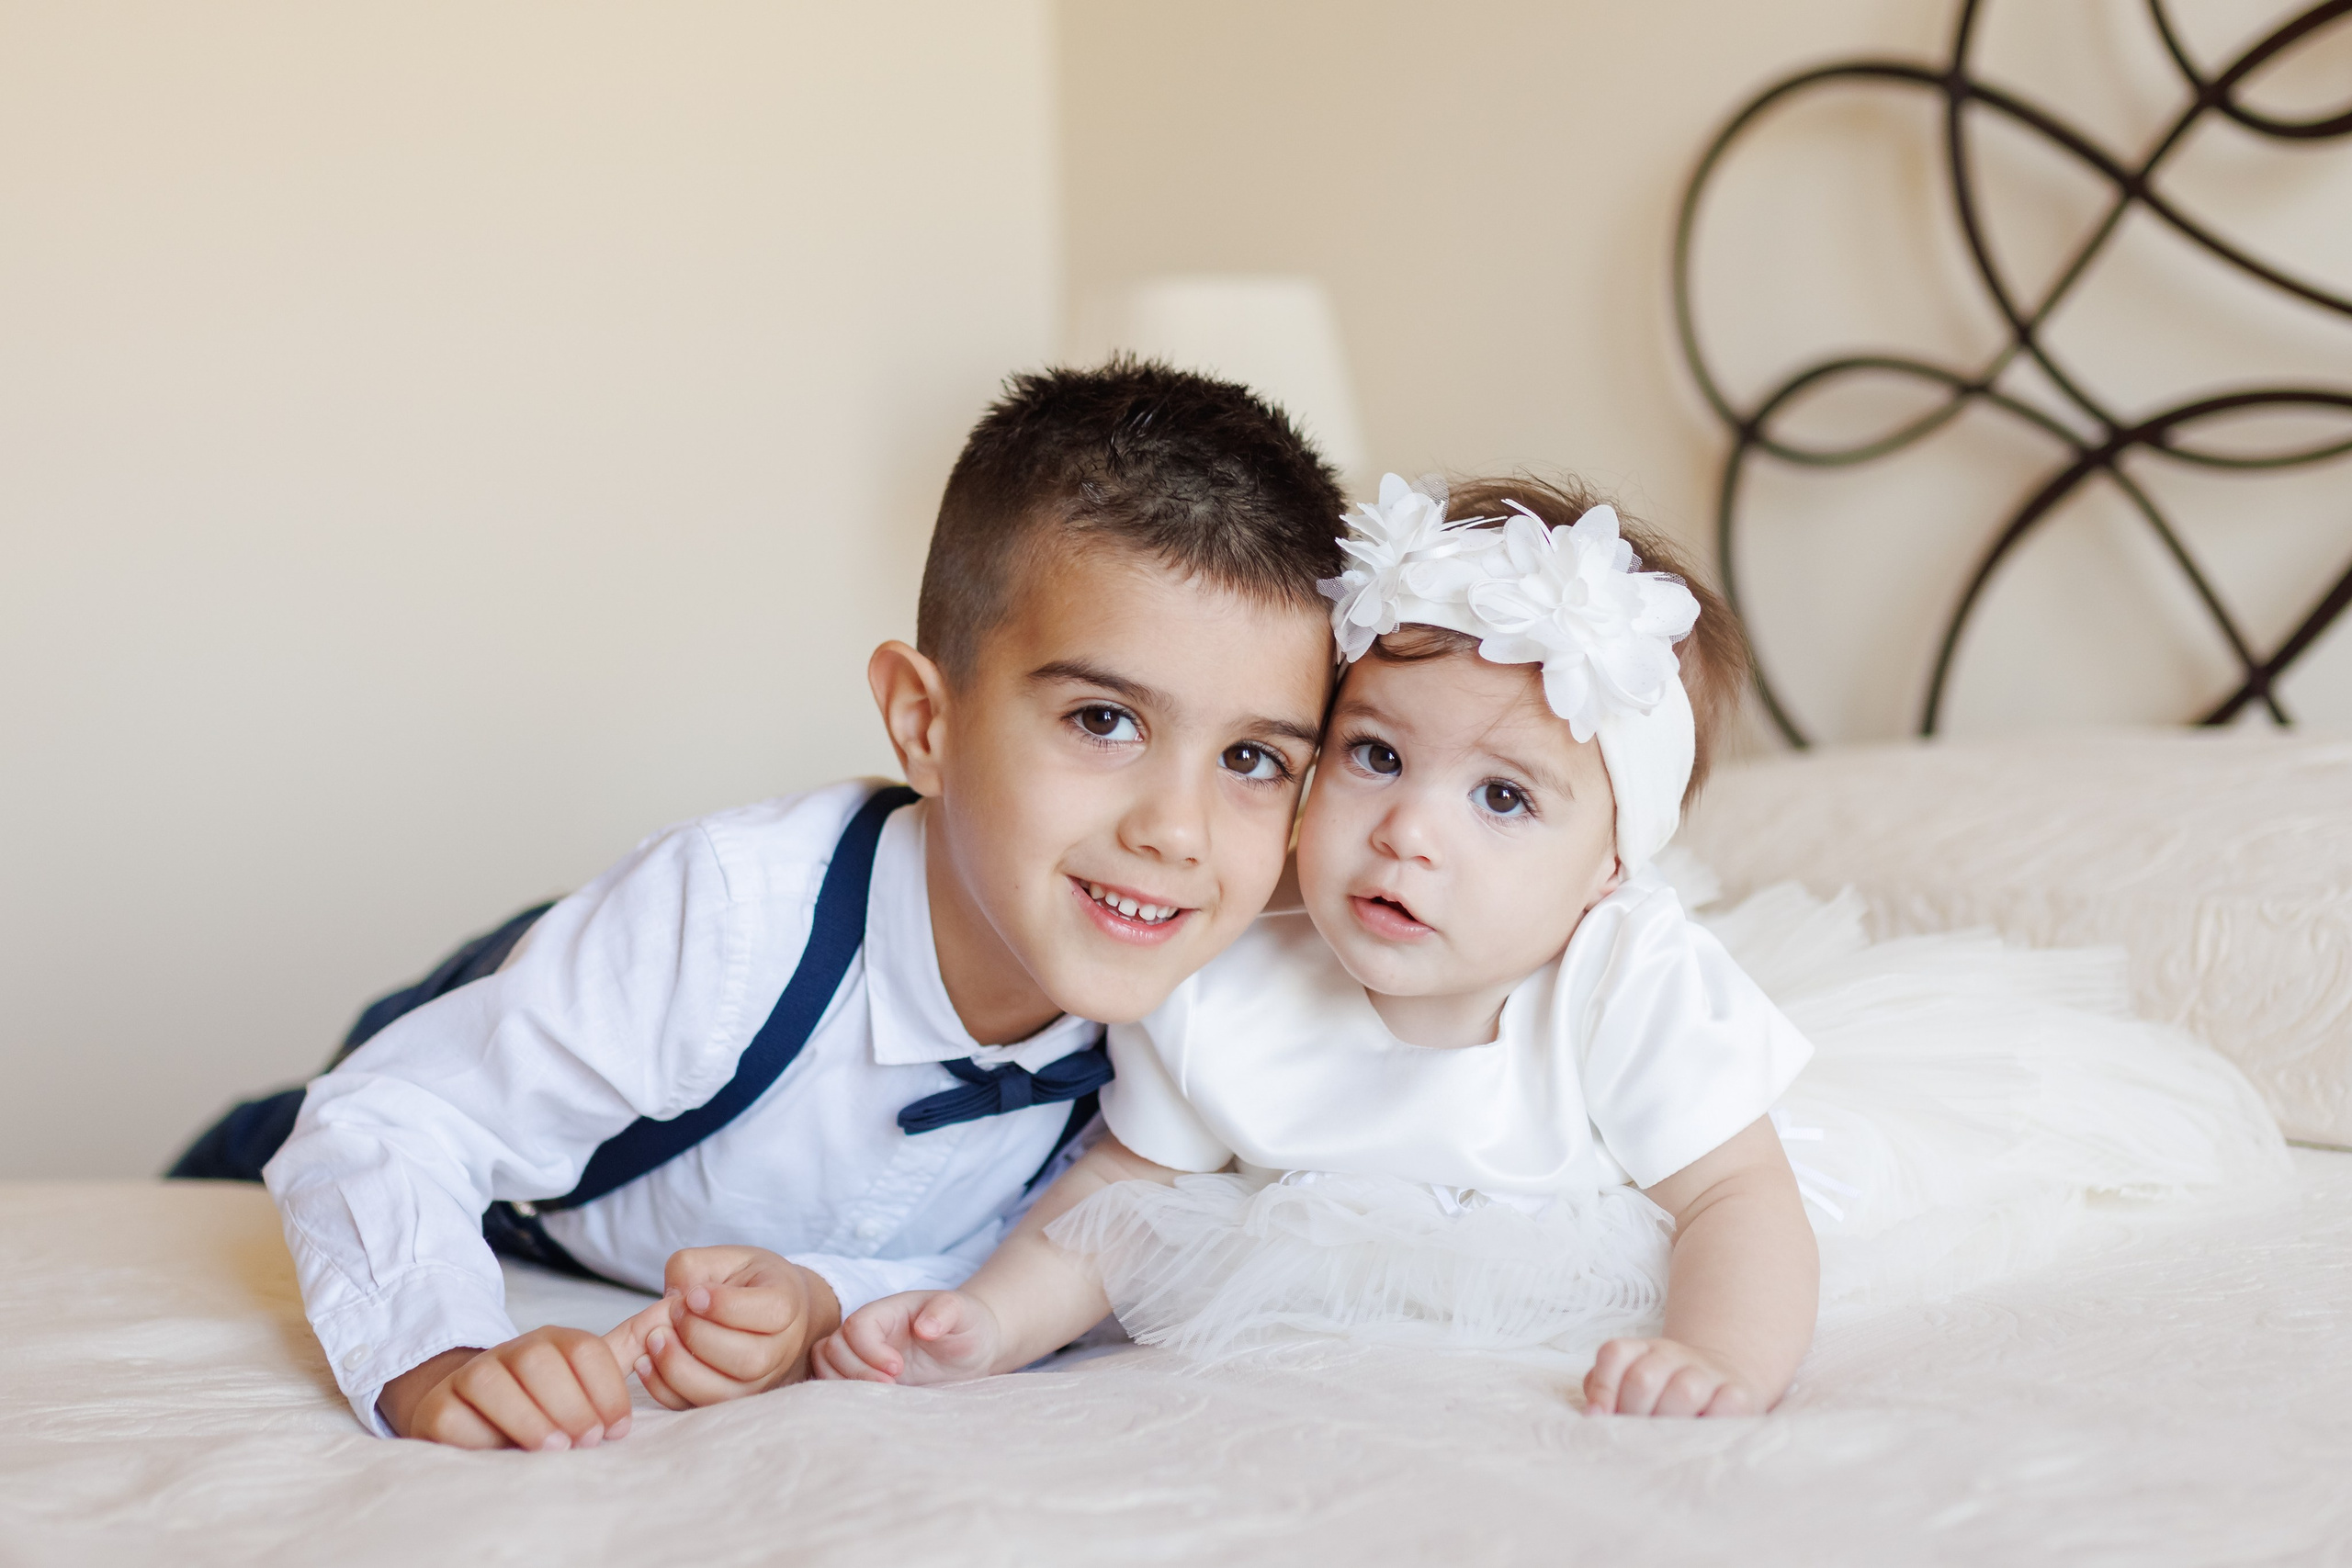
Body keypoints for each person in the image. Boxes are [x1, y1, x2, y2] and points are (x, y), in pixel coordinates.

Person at [804, 472, 2289, 1417]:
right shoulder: (1238, 976)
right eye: (1375, 756)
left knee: (1816, 1191)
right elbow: (1124, 1192)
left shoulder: (1627, 985)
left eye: (1504, 796)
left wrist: (1722, 1358)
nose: (1409, 834)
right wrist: (990, 1321)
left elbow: (1733, 1203)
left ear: (1606, 875)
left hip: (1600, 1195)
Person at [204, 361, 1347, 1448]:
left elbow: (1047, 1263)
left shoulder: (1203, 1022)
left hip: (673, 1226)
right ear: (922, 723)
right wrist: (435, 1355)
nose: (1177, 831)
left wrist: (815, 1302)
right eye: (1104, 721)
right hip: (460, 1079)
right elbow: (389, 1123)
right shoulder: (732, 914)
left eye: (1253, 761)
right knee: (268, 1158)